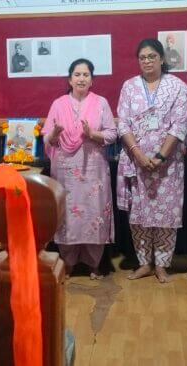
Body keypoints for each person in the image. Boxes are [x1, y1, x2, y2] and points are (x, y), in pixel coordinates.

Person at [116, 39, 187, 284]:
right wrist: (138, 154)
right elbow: (123, 123)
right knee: (139, 215)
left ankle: (161, 265)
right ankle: (144, 263)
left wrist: (160, 156)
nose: (147, 61)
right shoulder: (129, 87)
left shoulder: (177, 87)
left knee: (165, 214)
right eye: (142, 57)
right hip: (136, 162)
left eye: (152, 56)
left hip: (168, 165)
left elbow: (179, 125)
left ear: (162, 58)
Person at [43, 58, 117, 280]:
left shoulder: (101, 103)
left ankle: (94, 264)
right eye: (77, 74)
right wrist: (54, 134)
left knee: (94, 212)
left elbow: (112, 134)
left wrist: (92, 134)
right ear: (70, 79)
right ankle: (69, 263)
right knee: (67, 214)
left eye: (86, 74)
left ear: (92, 80)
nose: (81, 78)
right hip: (65, 171)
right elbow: (47, 138)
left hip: (94, 170)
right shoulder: (58, 104)